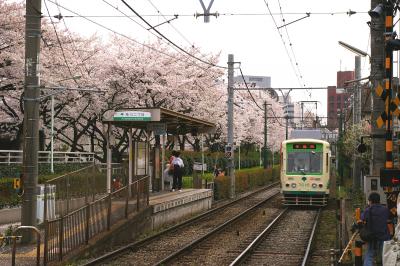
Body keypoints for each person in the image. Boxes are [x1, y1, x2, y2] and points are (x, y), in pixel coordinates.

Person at [361, 192, 391, 266]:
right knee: (383, 256)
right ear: (379, 200)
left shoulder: (368, 210)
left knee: (369, 255)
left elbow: (362, 218)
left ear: (370, 201)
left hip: (372, 237)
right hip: (384, 236)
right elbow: (389, 219)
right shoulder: (385, 209)